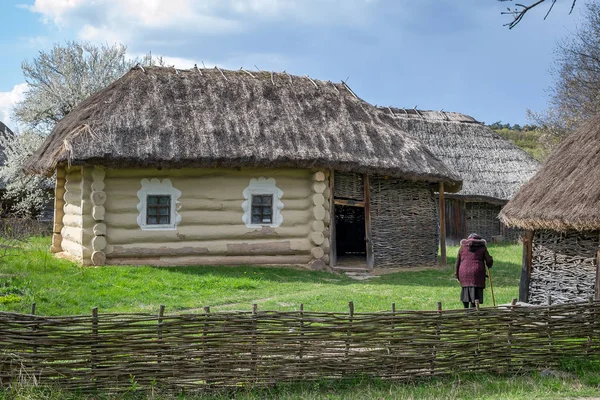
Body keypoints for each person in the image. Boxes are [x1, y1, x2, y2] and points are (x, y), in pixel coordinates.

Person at [454, 233, 493, 308]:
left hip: (464, 272)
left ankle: (466, 310)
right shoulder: (482, 247)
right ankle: (473, 310)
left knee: (465, 290)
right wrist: (490, 260)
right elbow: (488, 261)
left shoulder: (463, 247)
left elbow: (457, 261)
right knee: (476, 293)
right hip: (477, 272)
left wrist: (456, 274)